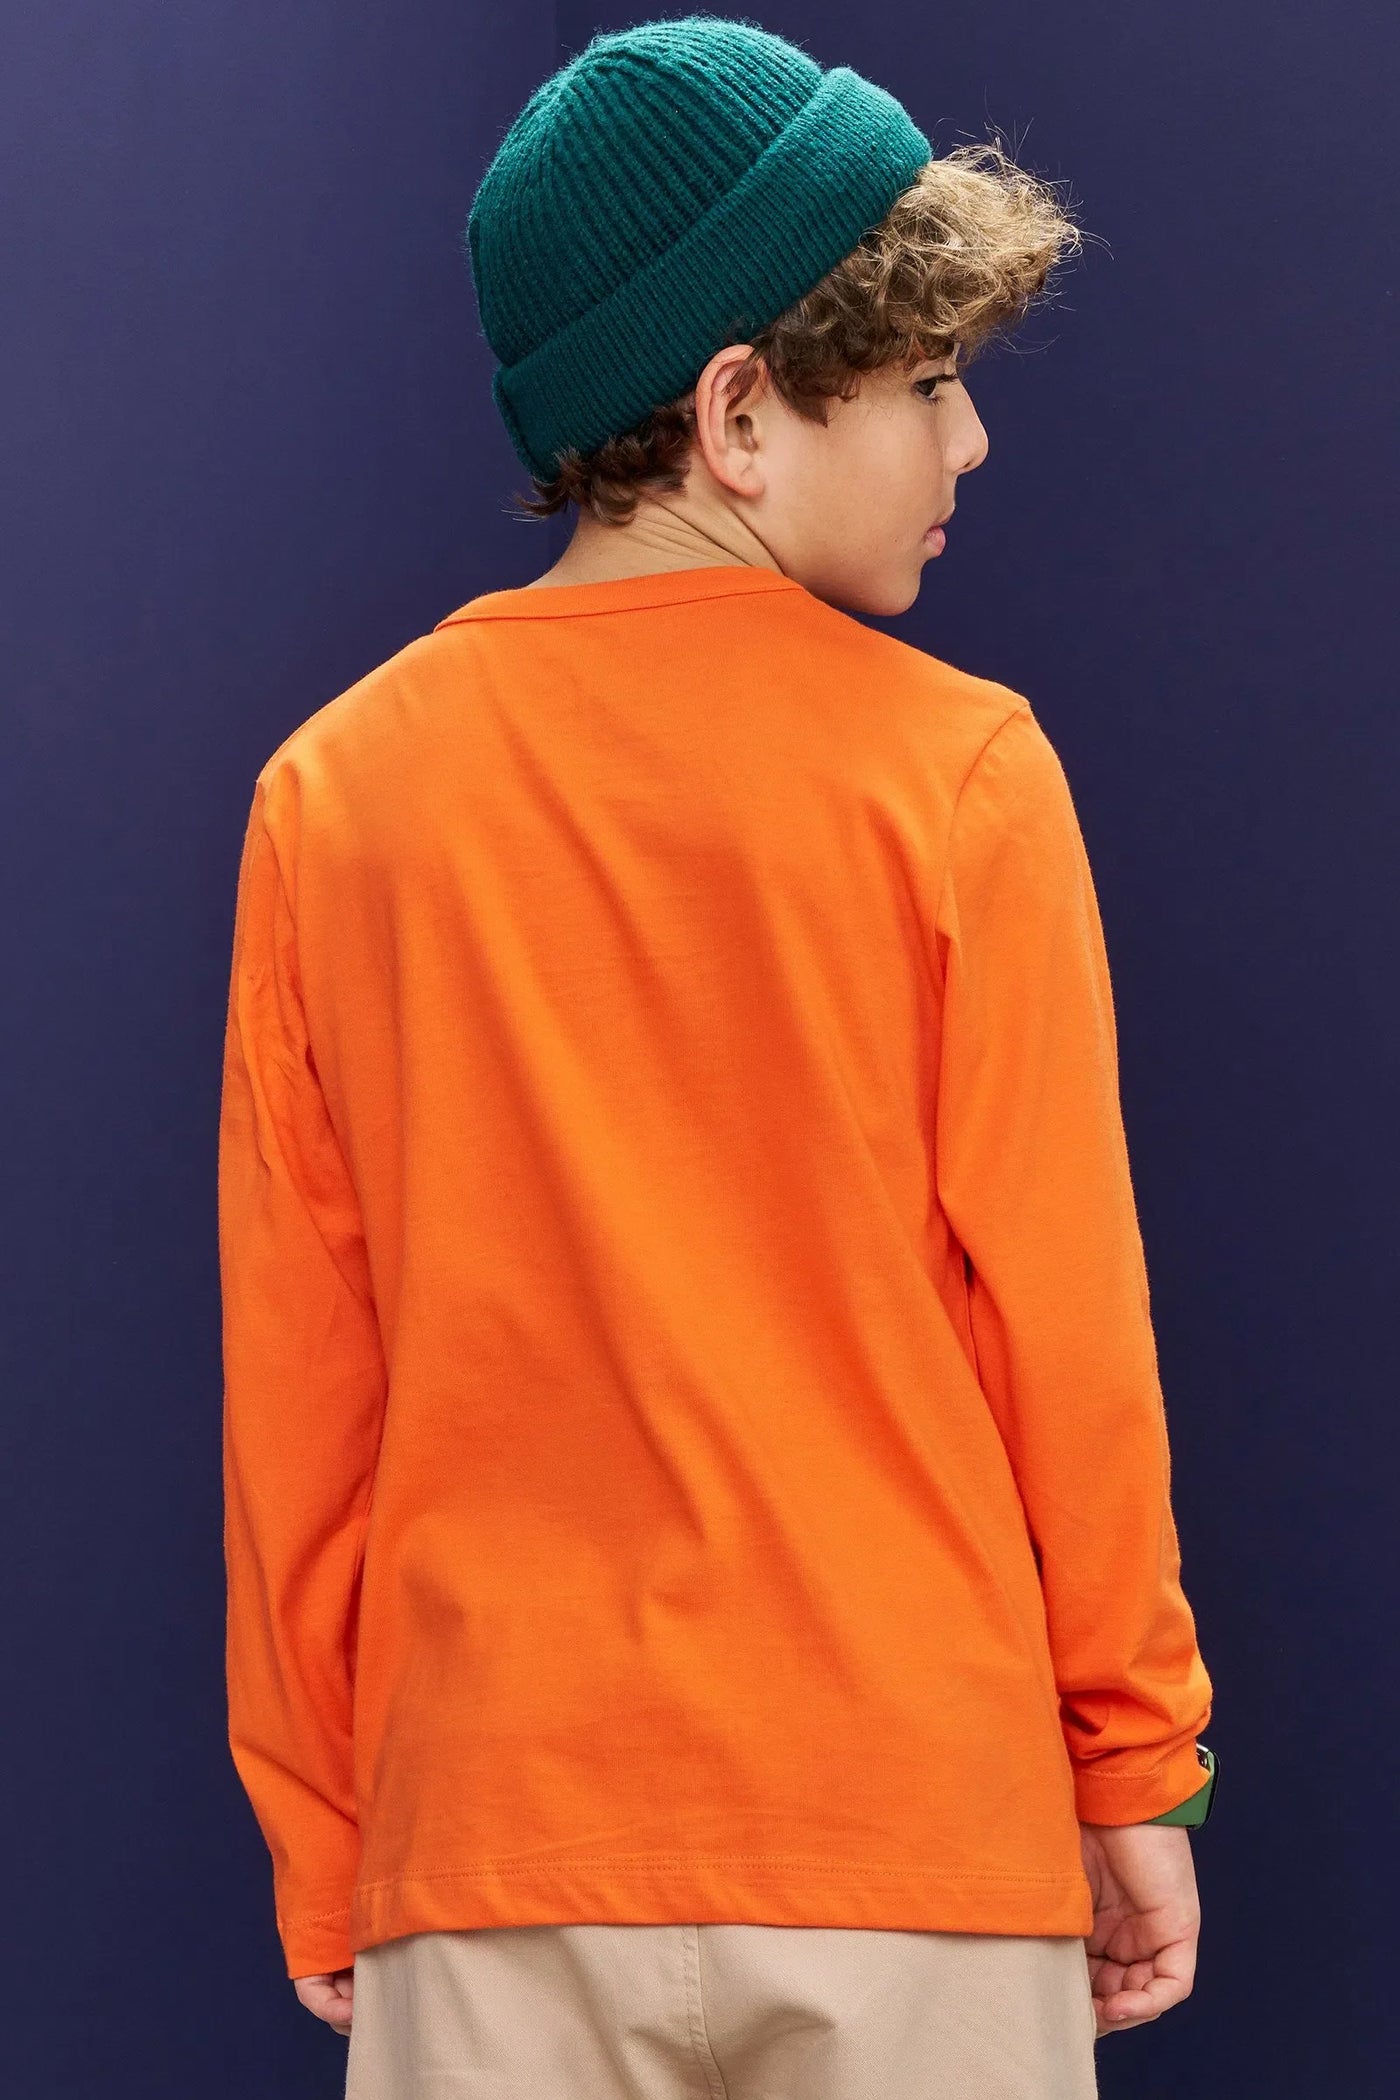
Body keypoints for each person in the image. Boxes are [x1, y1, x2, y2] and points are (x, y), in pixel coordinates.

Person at [217, 17, 1216, 2097]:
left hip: (488, 1844)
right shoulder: (961, 774)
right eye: (926, 382)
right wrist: (1133, 1764)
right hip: (910, 1836)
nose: (970, 442)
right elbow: (1067, 1333)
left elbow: (305, 1386)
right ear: (739, 413)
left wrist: (328, 1836)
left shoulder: (335, 797)